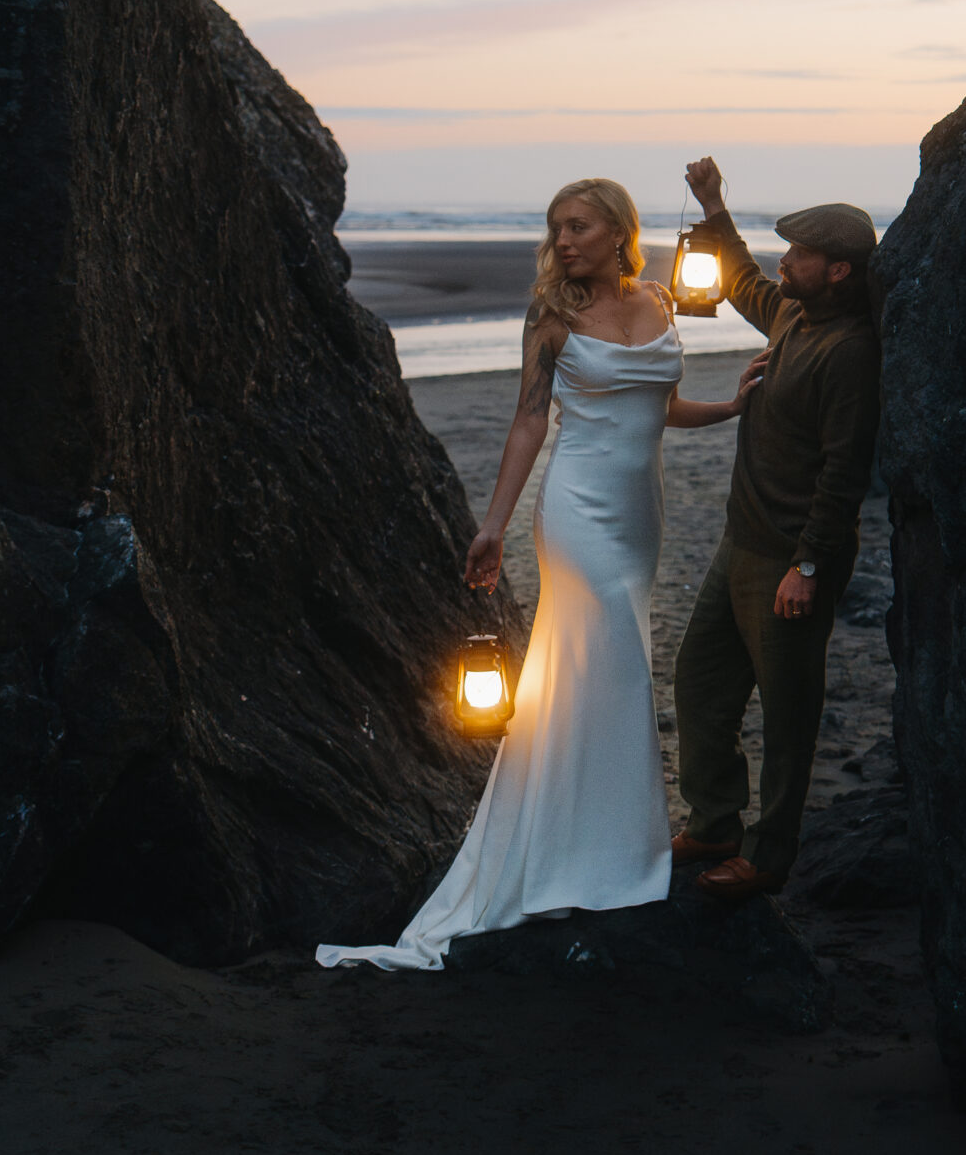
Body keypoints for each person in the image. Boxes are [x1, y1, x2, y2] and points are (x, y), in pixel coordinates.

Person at [317, 177, 757, 972]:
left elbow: (657, 405)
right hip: (579, 511)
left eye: (578, 226)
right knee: (611, 659)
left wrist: (725, 410)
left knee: (609, 671)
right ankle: (594, 855)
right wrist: (493, 526)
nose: (563, 240)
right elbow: (528, 422)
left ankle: (605, 839)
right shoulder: (552, 317)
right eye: (555, 227)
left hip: (641, 516)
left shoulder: (658, 299)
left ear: (619, 232)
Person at [671, 157, 881, 904]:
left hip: (792, 559)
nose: (783, 261)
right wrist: (714, 206)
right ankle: (716, 823)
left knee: (789, 715)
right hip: (740, 543)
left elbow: (844, 472)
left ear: (839, 271)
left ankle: (769, 855)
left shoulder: (851, 352)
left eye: (798, 253)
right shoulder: (794, 311)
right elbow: (743, 282)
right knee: (699, 684)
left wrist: (811, 567)